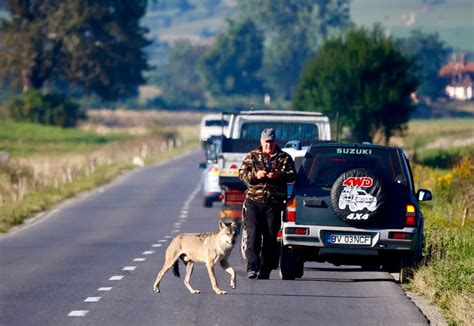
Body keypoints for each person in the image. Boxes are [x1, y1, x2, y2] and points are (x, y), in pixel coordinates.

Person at [238, 128, 296, 279]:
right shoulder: (252, 156)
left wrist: (278, 175)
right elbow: (242, 174)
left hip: (274, 203)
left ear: (275, 141)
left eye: (271, 142)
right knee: (253, 233)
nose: (268, 145)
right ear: (261, 142)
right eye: (266, 142)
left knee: (270, 236)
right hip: (254, 201)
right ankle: (252, 266)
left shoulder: (284, 158)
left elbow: (292, 176)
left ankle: (266, 269)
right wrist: (255, 175)